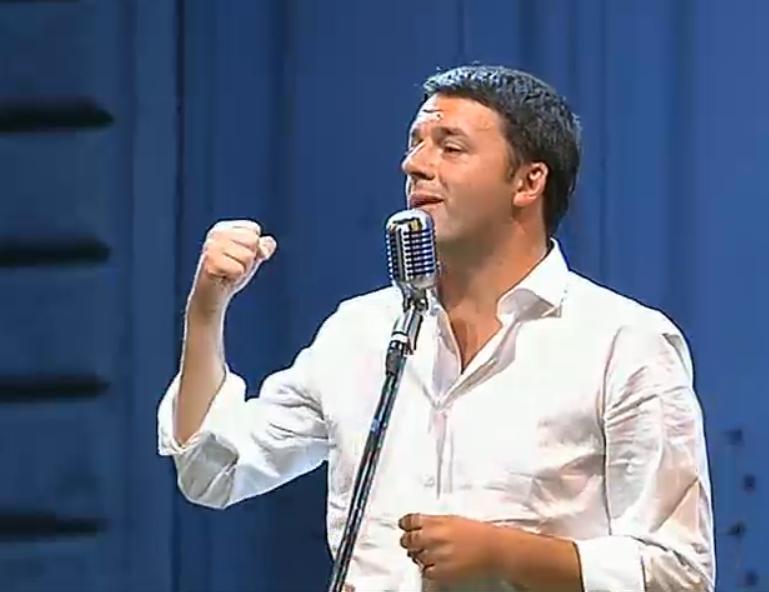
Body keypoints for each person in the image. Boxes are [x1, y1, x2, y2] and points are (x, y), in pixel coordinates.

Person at [157, 65, 715, 591]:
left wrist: (507, 555)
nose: (415, 164)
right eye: (415, 144)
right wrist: (207, 309)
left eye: (450, 147)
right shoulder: (362, 333)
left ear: (528, 182)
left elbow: (678, 572)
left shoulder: (622, 342)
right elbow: (213, 472)